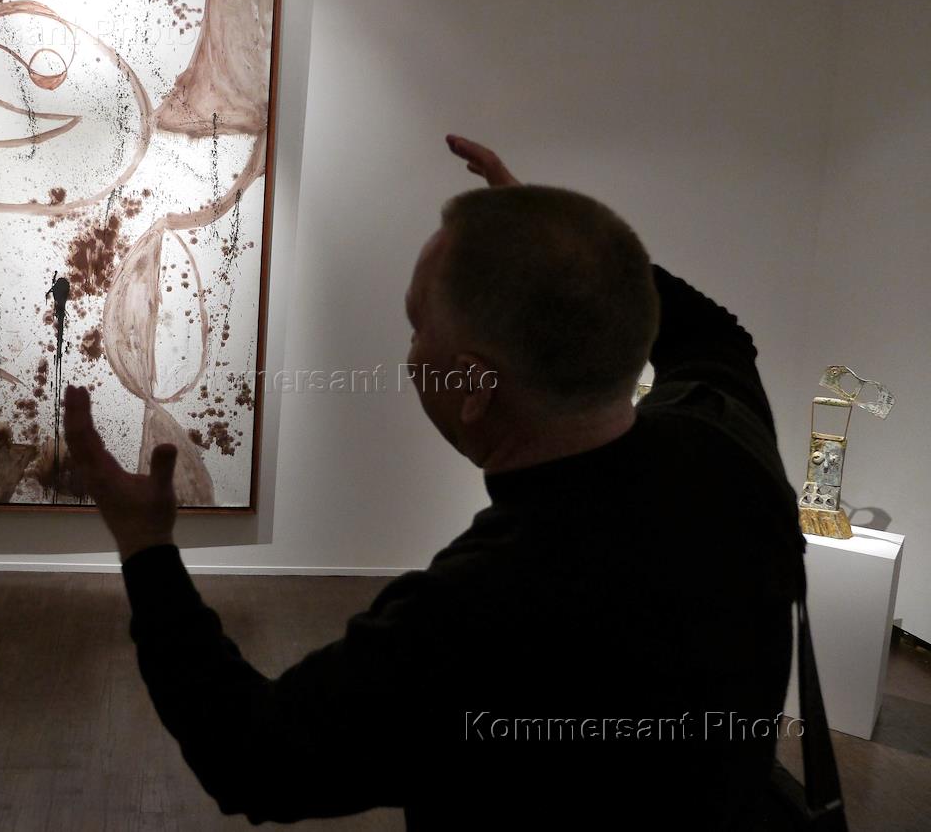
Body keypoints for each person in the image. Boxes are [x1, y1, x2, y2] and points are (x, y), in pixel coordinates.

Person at [62, 136, 806, 830]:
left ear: (474, 386)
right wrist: (545, 241)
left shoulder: (482, 611)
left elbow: (253, 758)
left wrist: (146, 547)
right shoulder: (726, 440)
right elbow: (715, 335)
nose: (410, 351)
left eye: (417, 327)